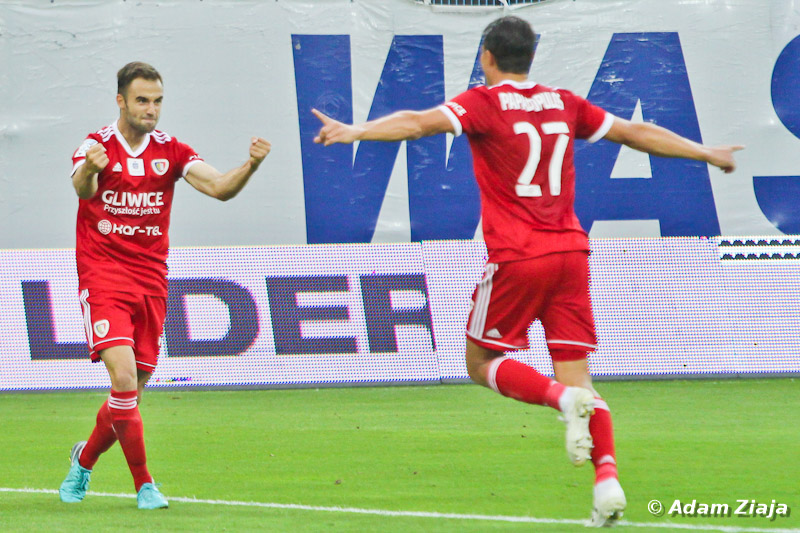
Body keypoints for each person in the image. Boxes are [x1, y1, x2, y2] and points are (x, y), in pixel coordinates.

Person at [312, 16, 742, 527]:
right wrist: (703, 151)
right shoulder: (563, 102)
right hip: (571, 255)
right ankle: (607, 481)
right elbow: (634, 132)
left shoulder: (484, 103)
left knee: (480, 362)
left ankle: (561, 399)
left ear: (486, 57)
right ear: (530, 57)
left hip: (518, 255)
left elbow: (417, 122)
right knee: (579, 375)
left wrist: (358, 130)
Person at [59, 61, 271, 509]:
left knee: (130, 394)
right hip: (103, 276)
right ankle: (145, 485)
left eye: (157, 101)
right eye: (142, 100)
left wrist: (250, 166)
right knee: (122, 378)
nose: (150, 109)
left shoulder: (171, 150)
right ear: (121, 101)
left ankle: (84, 460)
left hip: (151, 281)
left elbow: (219, 188)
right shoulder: (96, 146)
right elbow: (82, 189)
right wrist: (90, 170)